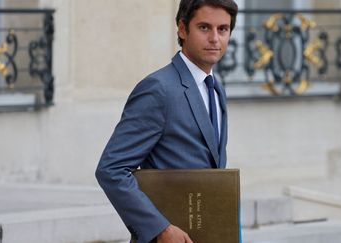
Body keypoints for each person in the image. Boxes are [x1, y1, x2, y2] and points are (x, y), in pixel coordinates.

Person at [95, 0, 238, 242]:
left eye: (222, 29)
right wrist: (159, 229)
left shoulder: (216, 90)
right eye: (204, 28)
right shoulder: (158, 89)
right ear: (182, 29)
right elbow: (111, 170)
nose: (215, 38)